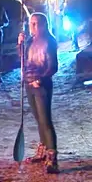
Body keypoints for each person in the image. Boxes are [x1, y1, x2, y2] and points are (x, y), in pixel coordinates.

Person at [19, 12, 60, 173]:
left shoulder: (49, 41)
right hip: (29, 84)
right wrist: (20, 45)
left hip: (41, 85)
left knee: (45, 120)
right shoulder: (30, 40)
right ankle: (43, 151)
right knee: (38, 119)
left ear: (43, 25)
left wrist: (40, 80)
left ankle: (52, 157)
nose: (33, 26)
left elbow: (53, 66)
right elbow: (23, 60)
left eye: (36, 23)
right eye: (31, 23)